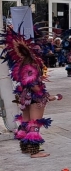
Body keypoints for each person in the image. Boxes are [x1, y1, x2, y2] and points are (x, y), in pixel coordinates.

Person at [5, 26, 63, 158]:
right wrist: (47, 96)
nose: (41, 50)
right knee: (35, 123)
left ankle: (25, 147)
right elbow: (33, 84)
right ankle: (34, 151)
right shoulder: (32, 65)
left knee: (25, 121)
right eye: (38, 49)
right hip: (34, 97)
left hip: (25, 96)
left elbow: (25, 82)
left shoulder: (22, 64)